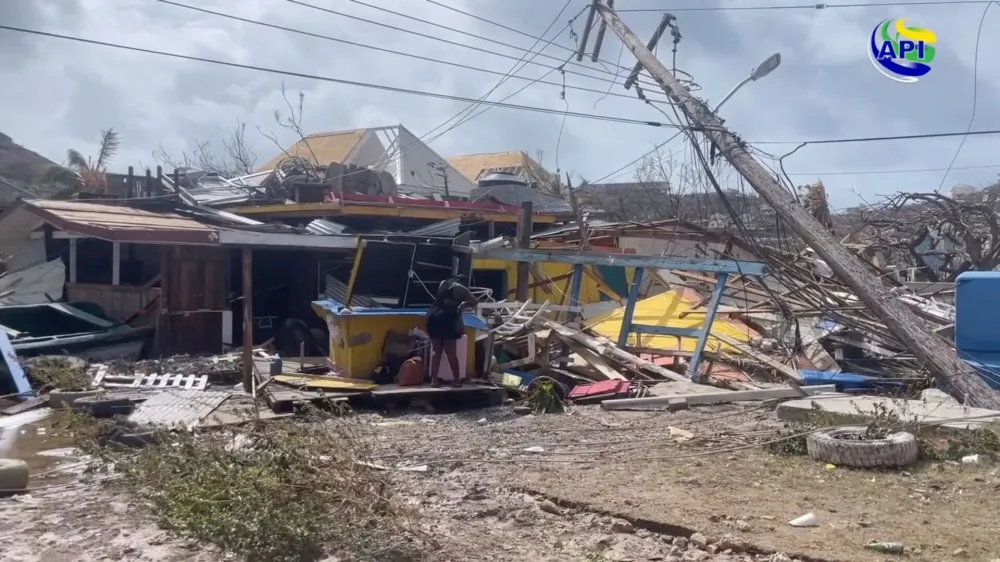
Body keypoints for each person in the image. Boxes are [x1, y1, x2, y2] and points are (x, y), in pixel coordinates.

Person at [425, 274, 479, 388]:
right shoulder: (461, 288)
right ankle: (456, 380)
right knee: (451, 353)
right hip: (447, 318)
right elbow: (475, 301)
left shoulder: (443, 282)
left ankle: (434, 380)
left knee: (436, 351)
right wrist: (464, 304)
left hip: (432, 316)